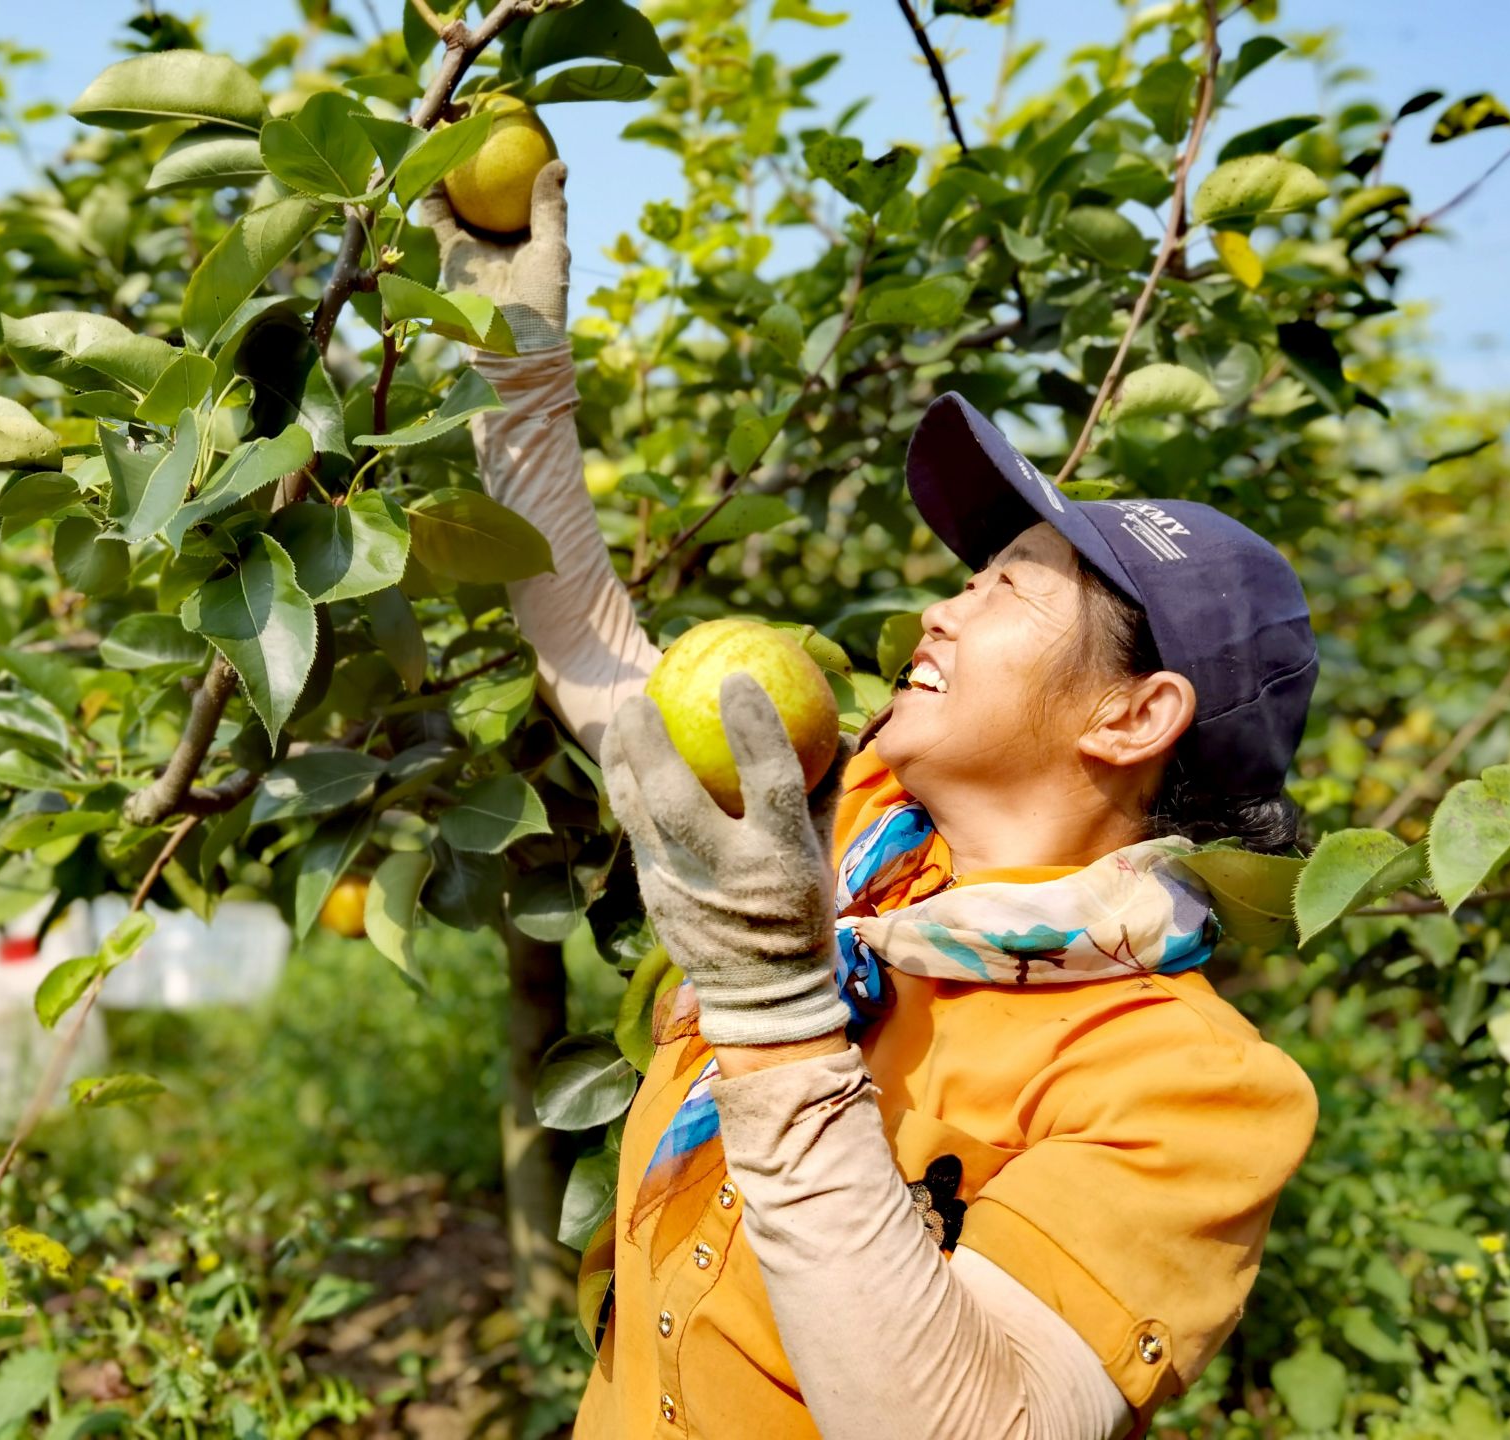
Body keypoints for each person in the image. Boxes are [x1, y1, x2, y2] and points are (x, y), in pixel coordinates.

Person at [419, 162, 1320, 1440]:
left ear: (1133, 715)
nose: (941, 606)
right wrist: (514, 365)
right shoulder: (853, 836)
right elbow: (608, 657)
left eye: (1009, 586)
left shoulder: (1186, 1087)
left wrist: (777, 1013)